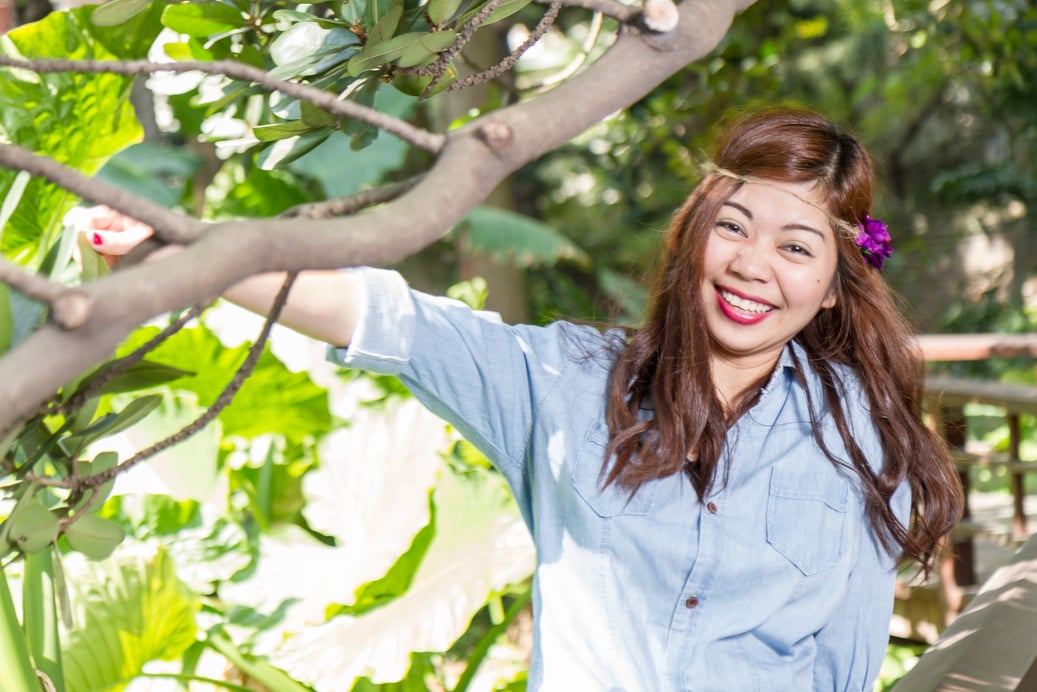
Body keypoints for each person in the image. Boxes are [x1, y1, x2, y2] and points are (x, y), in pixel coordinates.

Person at [84, 106, 963, 691]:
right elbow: (395, 319)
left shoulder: (857, 433)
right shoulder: (570, 384)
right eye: (731, 226)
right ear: (694, 234)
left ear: (836, 287)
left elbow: (847, 662)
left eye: (795, 247)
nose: (750, 266)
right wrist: (183, 256)